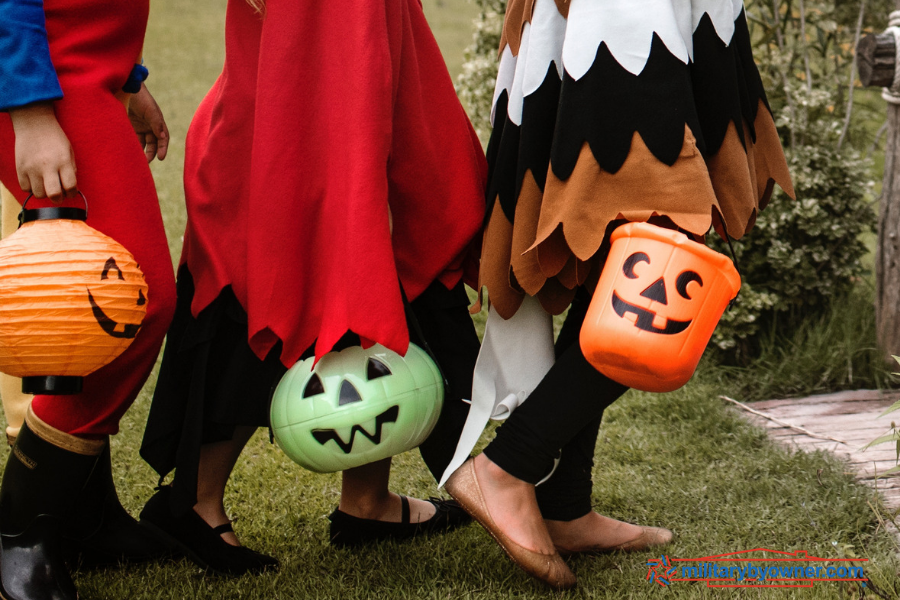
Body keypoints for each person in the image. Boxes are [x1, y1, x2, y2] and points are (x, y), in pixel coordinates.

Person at [443, 0, 794, 590]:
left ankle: (564, 506)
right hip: (621, 23)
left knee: (622, 253)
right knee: (661, 249)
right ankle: (507, 468)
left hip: (656, 18)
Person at [137, 0, 486, 575]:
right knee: (272, 264)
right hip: (296, 59)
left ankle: (368, 501)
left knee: (379, 235)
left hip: (370, 33)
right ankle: (196, 502)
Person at [0, 0, 178, 598]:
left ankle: (84, 517)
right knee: (134, 298)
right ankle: (19, 529)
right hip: (42, 81)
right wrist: (28, 109)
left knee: (96, 302)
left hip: (87, 70)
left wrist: (128, 75)